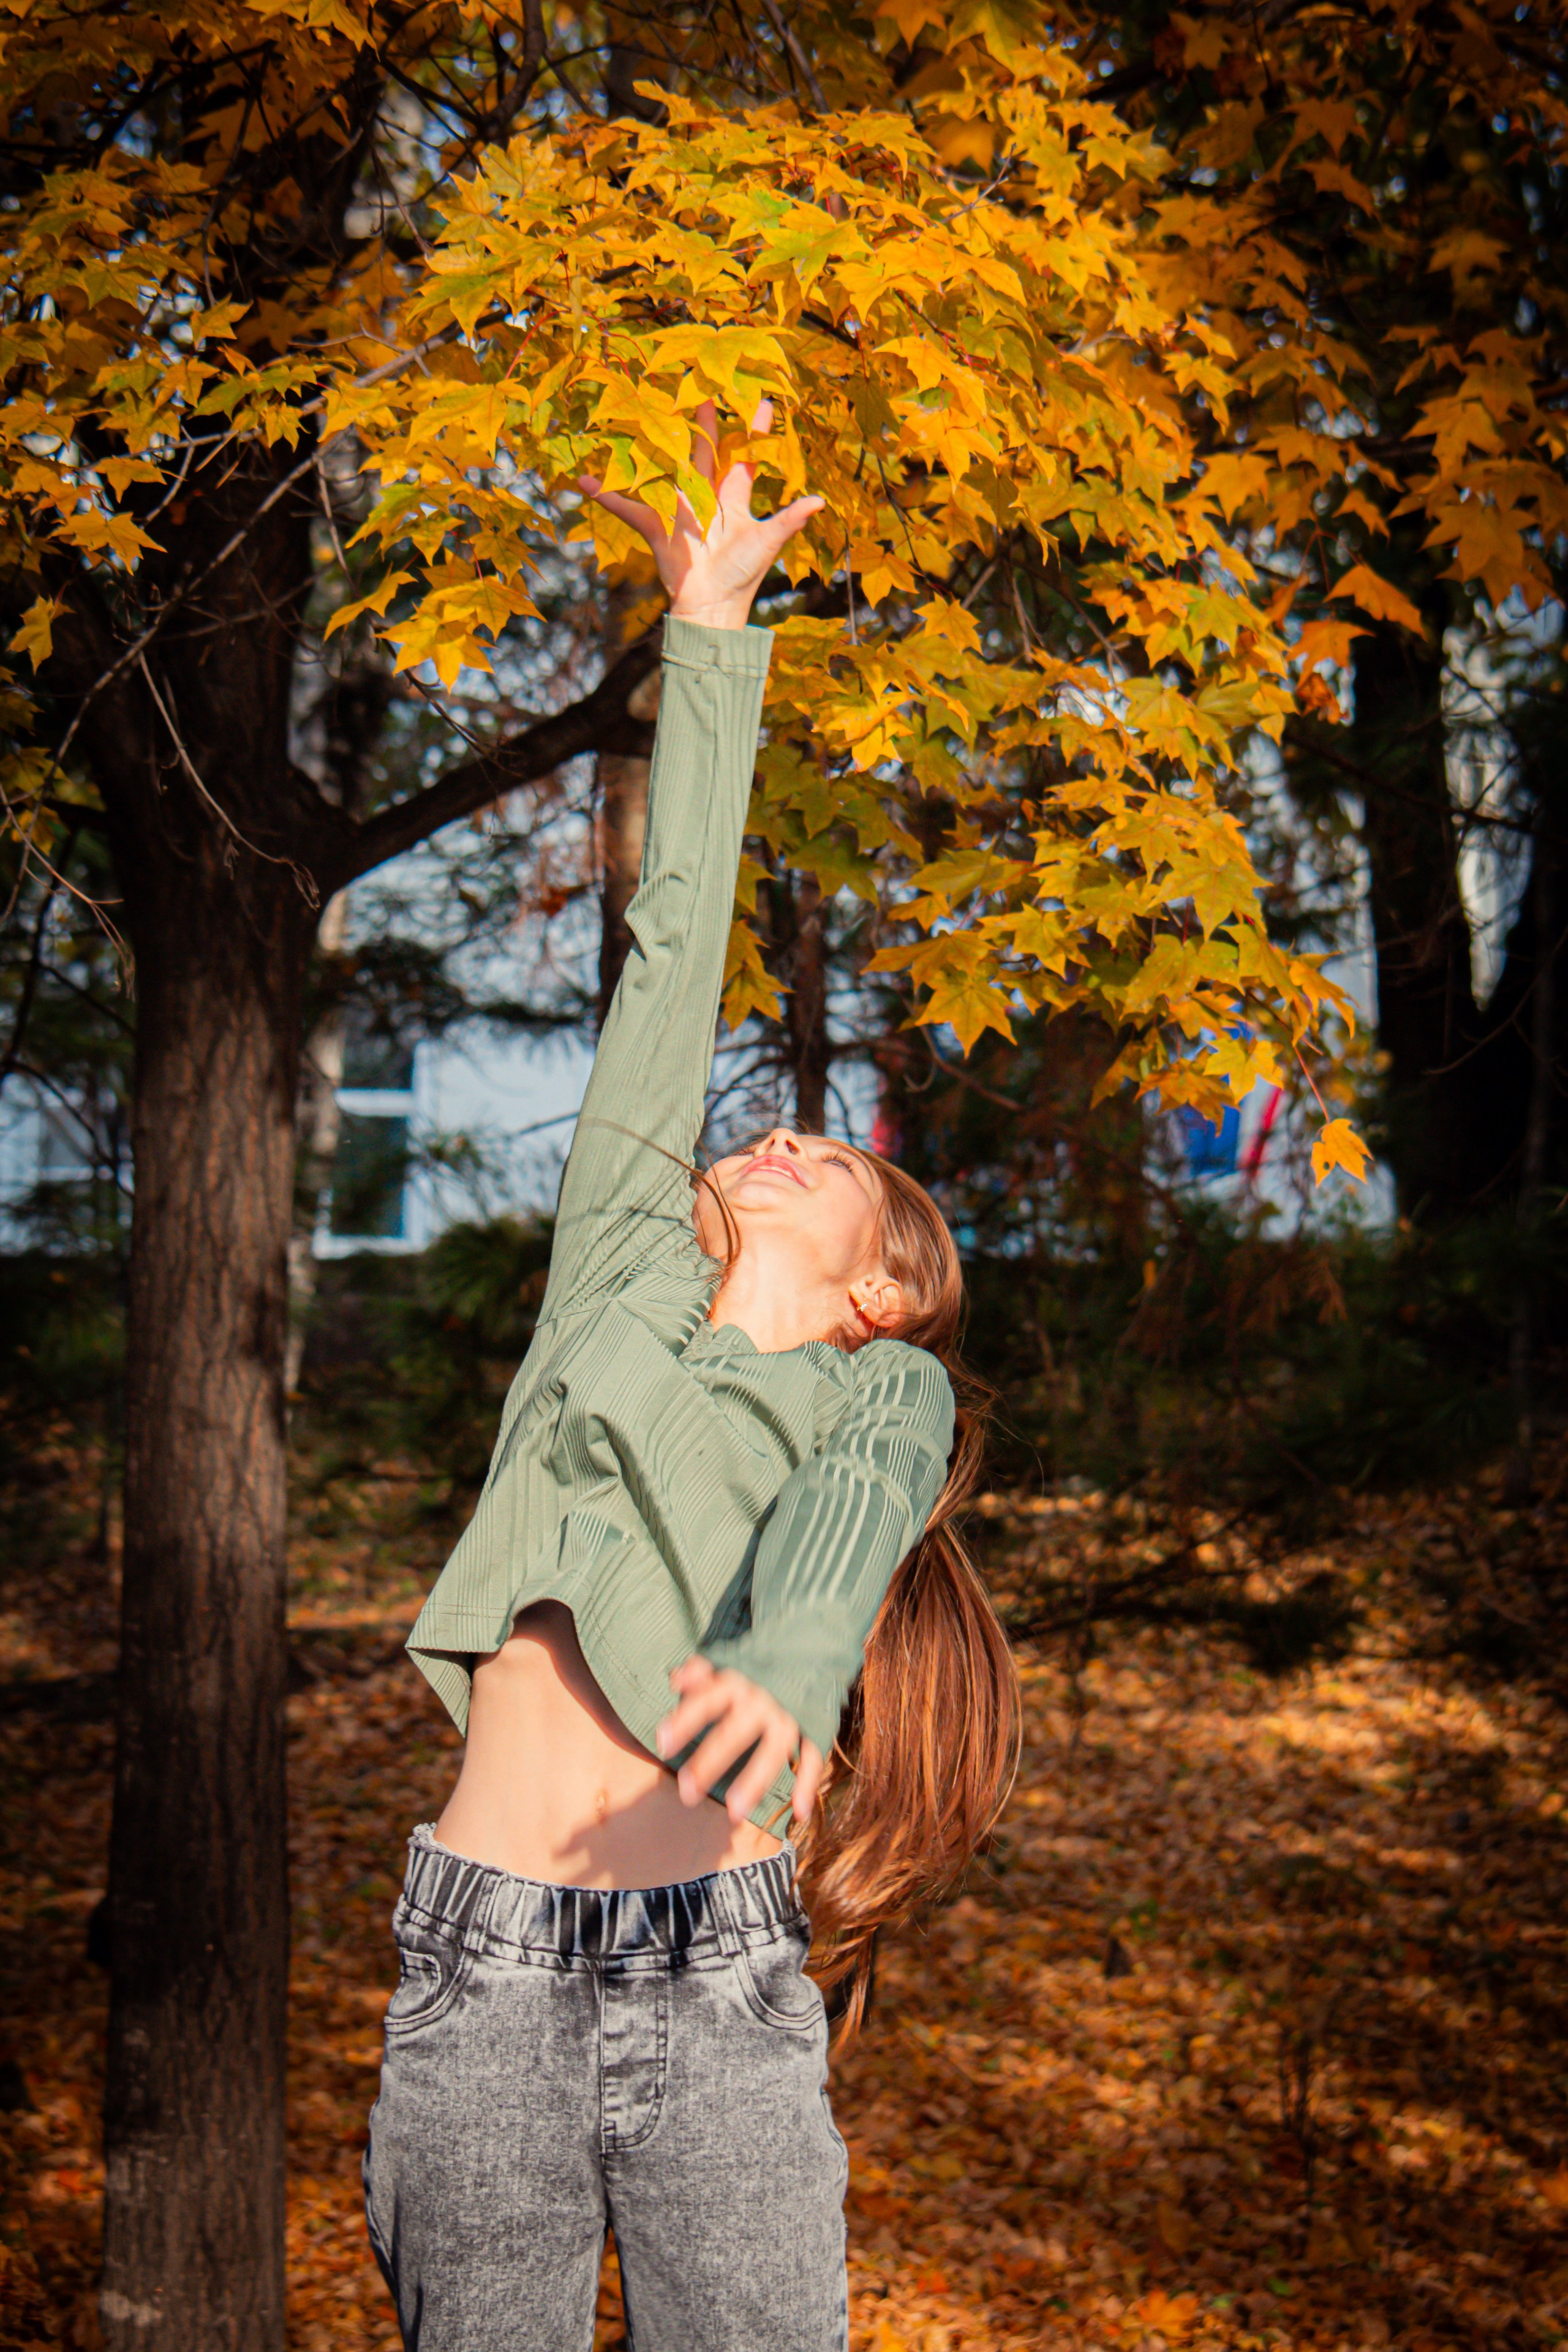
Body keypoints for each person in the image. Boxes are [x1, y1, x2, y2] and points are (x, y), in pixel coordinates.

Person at [363, 403, 1019, 2352]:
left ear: (884, 1290)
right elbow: (671, 972)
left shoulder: (877, 1398)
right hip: (478, 1970)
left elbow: (844, 1529)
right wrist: (711, 639)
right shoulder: (622, 1270)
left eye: (847, 1165)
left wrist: (796, 1671)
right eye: (776, 1132)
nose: (787, 1138)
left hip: (717, 1981)